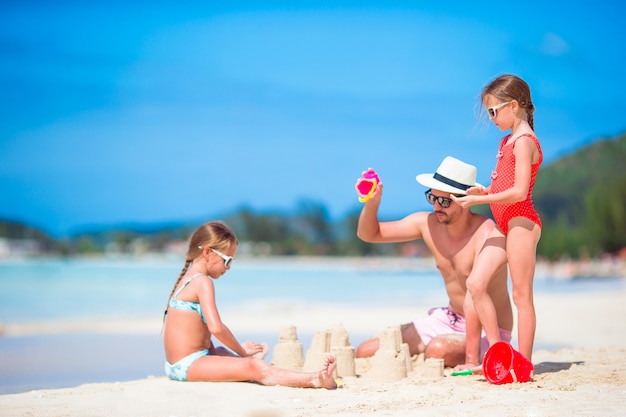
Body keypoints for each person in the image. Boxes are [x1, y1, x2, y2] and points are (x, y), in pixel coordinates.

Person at [354, 157, 513, 368]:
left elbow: (475, 294)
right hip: (448, 319)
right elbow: (369, 234)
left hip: (487, 328)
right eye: (432, 198)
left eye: (445, 201)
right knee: (364, 351)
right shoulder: (427, 224)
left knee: (437, 350)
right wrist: (372, 203)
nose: (437, 207)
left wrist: (471, 360)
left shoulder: (486, 234)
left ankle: (472, 351)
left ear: (465, 201)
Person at [163, 220, 337, 389]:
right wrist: (242, 352)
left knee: (224, 352)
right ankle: (316, 379)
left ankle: (246, 362)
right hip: (189, 365)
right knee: (255, 367)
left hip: (175, 364)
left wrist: (234, 353)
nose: (228, 267)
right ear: (207, 252)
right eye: (227, 260)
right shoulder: (202, 282)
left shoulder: (185, 281)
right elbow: (216, 328)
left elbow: (199, 335)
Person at [452, 74, 542, 363]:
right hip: (505, 223)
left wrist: (480, 200)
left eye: (493, 111)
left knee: (521, 296)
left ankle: (524, 363)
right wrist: (487, 190)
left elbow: (519, 193)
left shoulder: (524, 142)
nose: (491, 118)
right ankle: (498, 351)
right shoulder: (507, 141)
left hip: (521, 222)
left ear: (513, 105)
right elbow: (507, 186)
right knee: (476, 284)